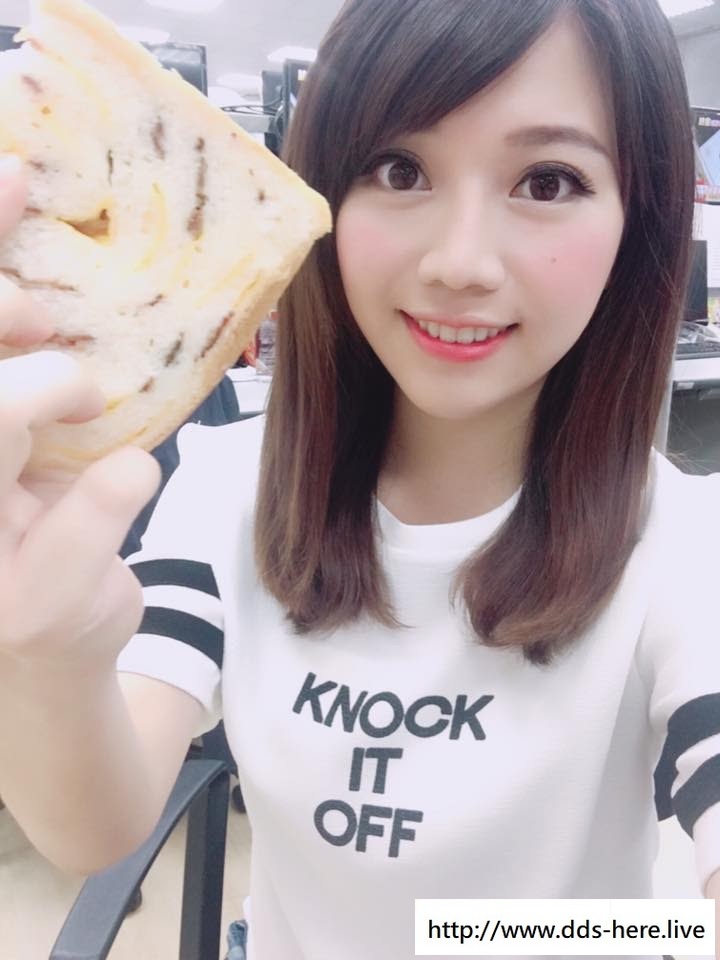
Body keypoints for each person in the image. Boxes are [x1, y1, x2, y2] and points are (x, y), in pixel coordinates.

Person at [0, 1, 718, 959]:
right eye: (399, 170)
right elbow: (96, 829)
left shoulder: (684, 547)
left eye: (547, 181)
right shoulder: (228, 487)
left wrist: (510, 937)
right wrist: (51, 658)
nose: (460, 263)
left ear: (640, 218)